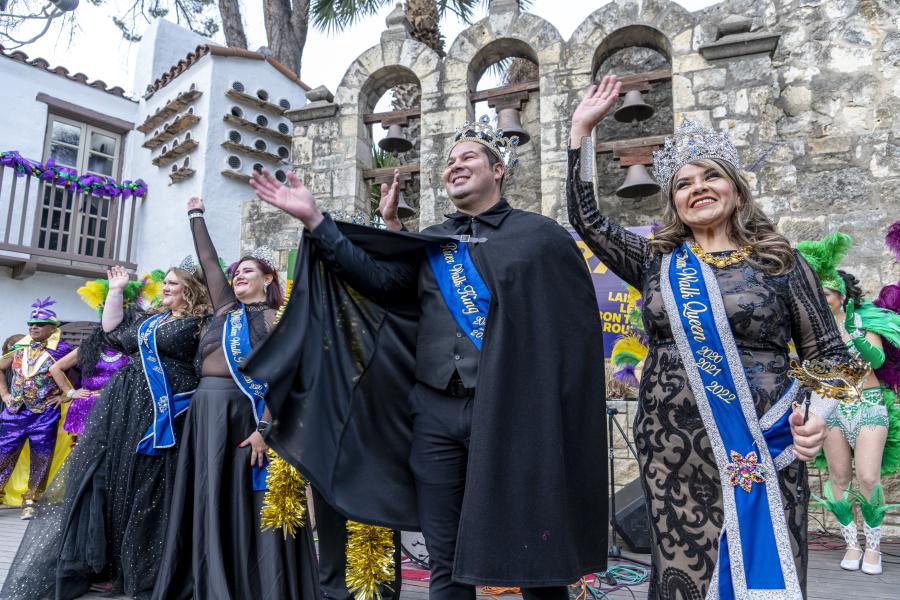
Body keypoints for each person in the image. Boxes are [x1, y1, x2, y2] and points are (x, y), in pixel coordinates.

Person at [244, 114, 609, 600]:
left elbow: (571, 335)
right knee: (446, 560)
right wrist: (317, 221)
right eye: (450, 161)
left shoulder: (539, 238)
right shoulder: (435, 241)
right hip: (434, 414)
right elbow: (378, 283)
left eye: (468, 157)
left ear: (498, 169)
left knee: (534, 559)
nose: (454, 166)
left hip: (511, 416)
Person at [567, 75, 850, 599]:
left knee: (761, 566)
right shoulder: (655, 262)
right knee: (682, 571)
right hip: (670, 448)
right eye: (682, 183)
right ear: (672, 203)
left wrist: (816, 420)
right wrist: (581, 132)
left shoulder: (779, 260)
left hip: (761, 439)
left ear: (735, 188)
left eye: (710, 177)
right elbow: (587, 220)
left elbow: (831, 356)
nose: (697, 188)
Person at [1, 265, 210, 600]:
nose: (165, 287)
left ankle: (146, 569)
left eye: (173, 283)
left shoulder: (202, 323)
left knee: (149, 486)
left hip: (166, 409)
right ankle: (110, 565)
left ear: (191, 288)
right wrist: (116, 290)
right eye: (166, 282)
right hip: (125, 408)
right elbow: (113, 329)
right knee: (114, 480)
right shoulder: (151, 319)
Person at [151, 197, 320, 600]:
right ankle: (209, 578)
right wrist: (196, 216)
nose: (238, 276)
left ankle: (250, 584)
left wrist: (264, 428)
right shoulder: (225, 309)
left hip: (244, 416)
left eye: (248, 271)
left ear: (267, 278)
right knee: (209, 495)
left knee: (244, 500)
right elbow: (208, 261)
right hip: (205, 413)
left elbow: (284, 380)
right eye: (237, 272)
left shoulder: (274, 319)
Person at [796, 232, 900, 575]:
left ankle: (874, 547)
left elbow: (874, 359)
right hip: (832, 407)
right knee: (839, 477)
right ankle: (851, 543)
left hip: (868, 405)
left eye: (825, 294)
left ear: (841, 295)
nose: (820, 299)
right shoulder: (812, 330)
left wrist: (853, 333)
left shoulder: (863, 320)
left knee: (868, 478)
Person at [0, 299, 73, 519]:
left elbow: (80, 375)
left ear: (53, 328)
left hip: (44, 414)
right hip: (14, 412)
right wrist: (4, 394)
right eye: (31, 324)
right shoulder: (18, 349)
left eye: (39, 324)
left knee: (41, 457)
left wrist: (64, 395)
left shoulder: (63, 351)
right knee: (3, 454)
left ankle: (31, 500)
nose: (34, 327)